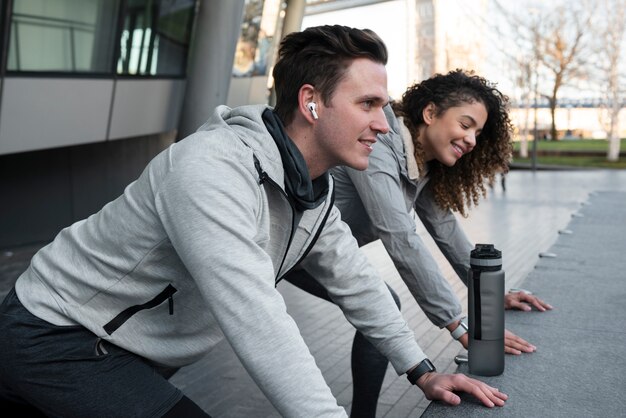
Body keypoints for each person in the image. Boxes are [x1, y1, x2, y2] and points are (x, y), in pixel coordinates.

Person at [0, 27, 507, 418]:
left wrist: (422, 372)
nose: (383, 121)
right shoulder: (210, 168)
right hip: (60, 336)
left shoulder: (312, 186)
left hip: (131, 351)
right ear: (311, 102)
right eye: (368, 104)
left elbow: (357, 281)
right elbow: (258, 319)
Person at [283, 69, 552, 416]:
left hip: (309, 252)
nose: (471, 140)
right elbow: (398, 234)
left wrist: (490, 293)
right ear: (430, 114)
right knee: (384, 302)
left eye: (478, 133)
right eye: (466, 124)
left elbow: (443, 226)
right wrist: (458, 325)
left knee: (382, 303)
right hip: (283, 242)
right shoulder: (378, 142)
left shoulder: (421, 164)